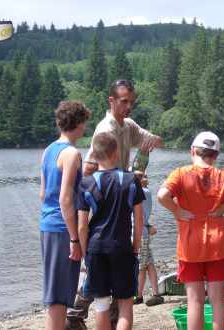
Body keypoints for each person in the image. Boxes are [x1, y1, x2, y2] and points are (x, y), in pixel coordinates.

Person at [66, 79, 162, 330]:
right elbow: (88, 168)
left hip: (116, 202)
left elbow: (147, 140)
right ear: (112, 101)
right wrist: (120, 181)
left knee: (101, 276)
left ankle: (81, 314)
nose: (129, 106)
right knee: (108, 281)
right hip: (107, 204)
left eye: (131, 101)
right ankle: (76, 313)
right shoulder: (105, 129)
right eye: (124, 102)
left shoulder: (127, 125)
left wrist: (139, 164)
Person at [157, 132, 224, 330]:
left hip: (190, 246)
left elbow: (161, 195)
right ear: (215, 155)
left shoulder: (181, 173)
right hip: (217, 246)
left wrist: (177, 210)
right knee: (218, 300)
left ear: (193, 151)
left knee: (195, 301)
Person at [77, 132, 145, 330]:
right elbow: (138, 218)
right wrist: (136, 245)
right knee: (125, 304)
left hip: (96, 248)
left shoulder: (86, 183)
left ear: (94, 156)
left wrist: (84, 252)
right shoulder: (131, 180)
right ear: (116, 153)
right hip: (122, 246)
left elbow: (82, 225)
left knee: (101, 305)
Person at [39, 101, 91, 330]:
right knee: (58, 296)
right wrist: (74, 238)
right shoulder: (71, 153)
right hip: (62, 229)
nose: (85, 128)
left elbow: (43, 194)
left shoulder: (48, 150)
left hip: (47, 225)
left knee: (58, 293)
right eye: (84, 123)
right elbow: (66, 198)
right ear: (78, 123)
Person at [133, 172, 164, 306]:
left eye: (144, 176)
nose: (144, 179)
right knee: (149, 264)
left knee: (141, 266)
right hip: (143, 231)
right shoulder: (144, 192)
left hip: (140, 234)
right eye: (141, 177)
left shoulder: (142, 192)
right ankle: (156, 294)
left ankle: (138, 296)